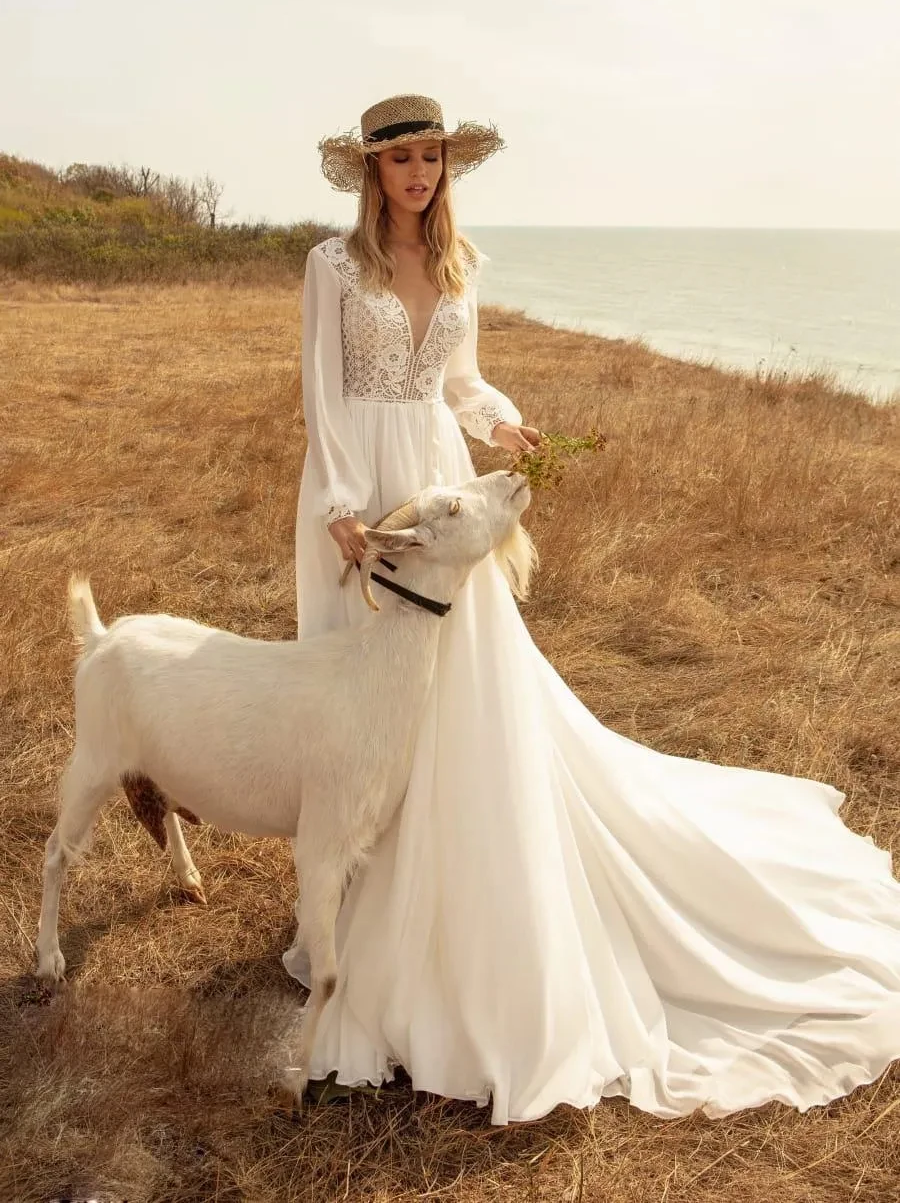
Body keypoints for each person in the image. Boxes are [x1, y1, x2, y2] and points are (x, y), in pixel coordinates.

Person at [292, 93, 900, 1125]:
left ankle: (456, 922)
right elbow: (321, 390)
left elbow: (461, 386)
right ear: (370, 172)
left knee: (458, 695)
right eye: (403, 159)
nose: (422, 173)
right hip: (363, 499)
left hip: (440, 488)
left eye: (434, 157)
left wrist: (511, 426)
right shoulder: (330, 267)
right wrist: (343, 509)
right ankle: (350, 908)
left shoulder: (459, 266)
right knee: (364, 701)